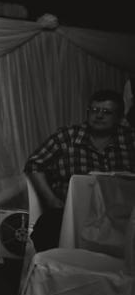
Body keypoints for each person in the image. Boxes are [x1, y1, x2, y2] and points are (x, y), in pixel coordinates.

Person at [25, 88, 135, 251]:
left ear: (119, 117)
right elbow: (34, 164)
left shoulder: (129, 139)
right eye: (94, 110)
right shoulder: (67, 136)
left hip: (120, 215)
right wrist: (51, 200)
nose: (99, 116)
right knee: (46, 229)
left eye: (106, 112)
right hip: (69, 211)